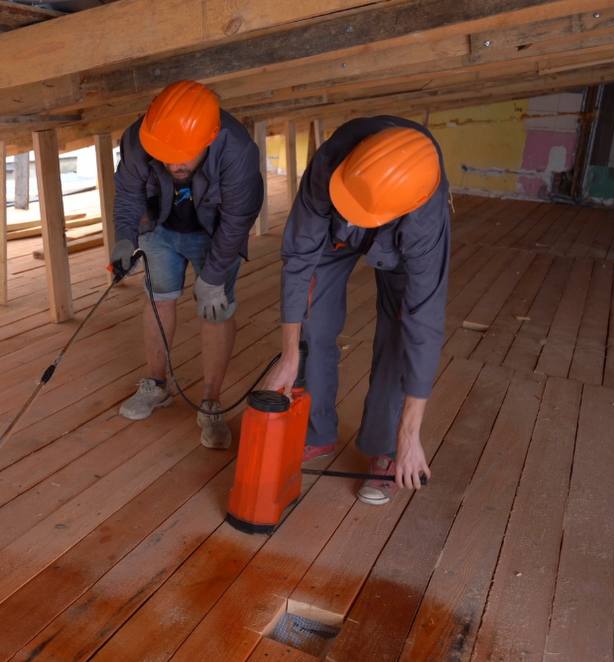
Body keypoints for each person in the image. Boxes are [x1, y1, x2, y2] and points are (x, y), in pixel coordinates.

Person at [264, 116, 450, 505]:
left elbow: (424, 321)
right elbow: (299, 258)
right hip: (334, 227)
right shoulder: (329, 165)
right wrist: (288, 353)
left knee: (400, 337)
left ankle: (385, 450)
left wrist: (409, 435)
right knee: (311, 325)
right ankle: (316, 432)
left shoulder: (425, 220)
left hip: (397, 237)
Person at [108, 80, 264, 449]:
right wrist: (124, 241)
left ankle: (210, 402)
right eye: (166, 155)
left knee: (216, 309)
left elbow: (238, 219)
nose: (173, 163)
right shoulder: (137, 139)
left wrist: (212, 277)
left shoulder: (237, 150)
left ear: (209, 139)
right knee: (159, 297)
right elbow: (129, 195)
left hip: (214, 232)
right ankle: (156, 385)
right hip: (159, 226)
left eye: (184, 156)